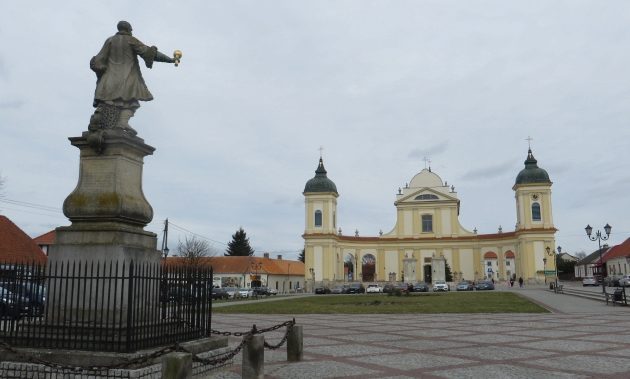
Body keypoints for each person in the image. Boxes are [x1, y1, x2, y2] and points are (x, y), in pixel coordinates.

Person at [90, 21, 176, 135]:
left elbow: (98, 60)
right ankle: (122, 122)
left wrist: (99, 68)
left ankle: (109, 123)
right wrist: (170, 59)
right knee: (131, 102)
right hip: (127, 78)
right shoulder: (131, 40)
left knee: (109, 103)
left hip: (109, 79)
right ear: (129, 30)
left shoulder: (110, 40)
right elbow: (149, 53)